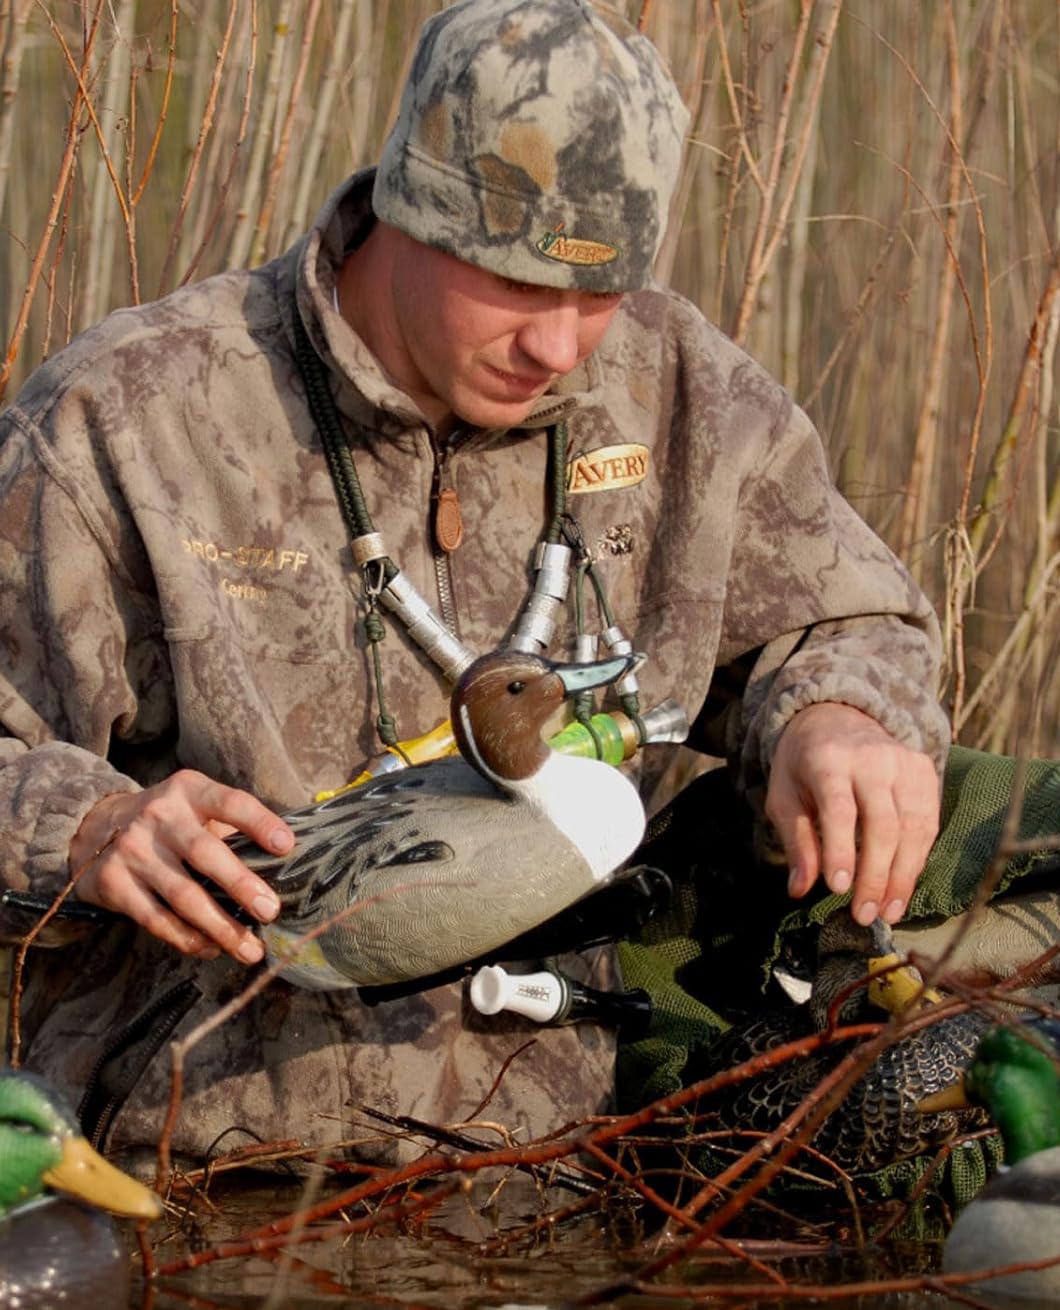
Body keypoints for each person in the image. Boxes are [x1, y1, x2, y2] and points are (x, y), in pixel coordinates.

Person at [0, 0, 949, 1163]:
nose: (558, 347)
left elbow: (850, 618)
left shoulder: (680, 394)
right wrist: (93, 827)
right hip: (201, 1174)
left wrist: (842, 717)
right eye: (516, 283)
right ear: (406, 210)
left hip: (576, 1166)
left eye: (597, 296)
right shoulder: (131, 420)